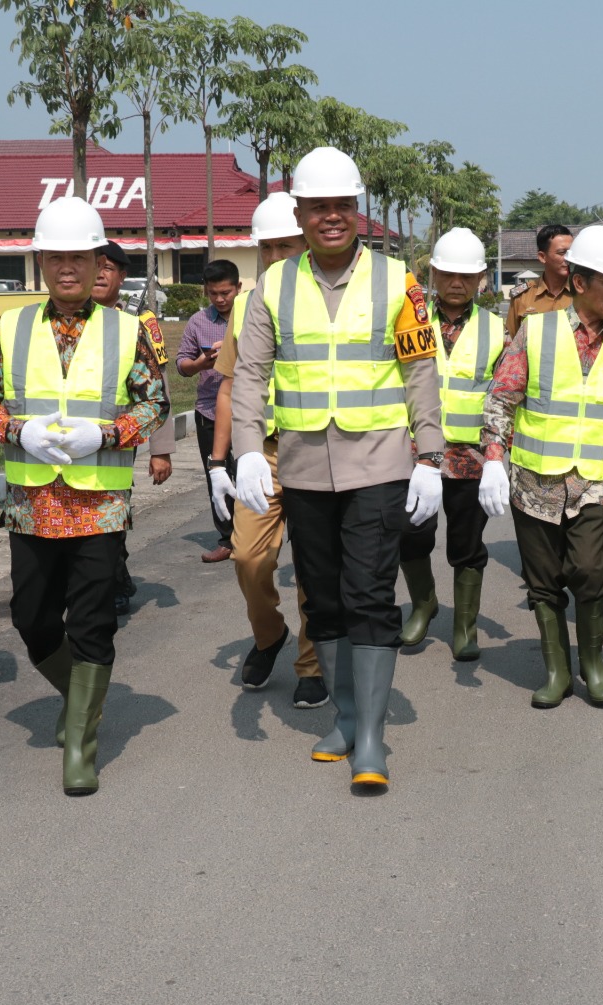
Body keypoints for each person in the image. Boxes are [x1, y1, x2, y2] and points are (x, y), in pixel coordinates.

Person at [230, 146, 444, 789]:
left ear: (358, 212)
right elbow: (250, 373)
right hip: (299, 467)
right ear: (299, 213)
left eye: (342, 207)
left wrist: (429, 455)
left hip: (378, 462)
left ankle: (373, 740)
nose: (331, 217)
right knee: (322, 598)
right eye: (318, 207)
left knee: (370, 594)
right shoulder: (273, 284)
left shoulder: (397, 280)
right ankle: (347, 717)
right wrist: (244, 449)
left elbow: (419, 368)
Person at [0, 196, 169, 794]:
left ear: (97, 259)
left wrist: (104, 433)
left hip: (99, 501)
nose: (67, 269)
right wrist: (15, 429)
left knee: (92, 622)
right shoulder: (10, 326)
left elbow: (154, 401)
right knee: (31, 617)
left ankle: (80, 741)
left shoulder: (129, 329)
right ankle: (80, 698)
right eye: (55, 257)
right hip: (32, 500)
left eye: (79, 257)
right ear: (41, 261)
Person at [480, 225, 603, 709]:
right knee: (543, 579)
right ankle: (557, 670)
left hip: (593, 480)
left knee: (590, 570)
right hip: (534, 480)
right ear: (580, 282)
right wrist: (492, 459)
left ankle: (592, 663)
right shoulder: (537, 330)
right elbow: (502, 397)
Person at [204, 192, 328, 710]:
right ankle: (268, 634)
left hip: (319, 448)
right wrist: (217, 462)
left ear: (306, 243)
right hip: (262, 454)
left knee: (314, 567)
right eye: (268, 247)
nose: (276, 257)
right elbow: (230, 387)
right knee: (250, 558)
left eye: (287, 246)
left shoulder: (327, 303)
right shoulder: (251, 305)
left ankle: (311, 663)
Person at [395, 227, 505, 660]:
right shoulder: (410, 321)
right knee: (411, 532)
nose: (457, 283)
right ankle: (424, 604)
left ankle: (465, 625)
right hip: (416, 454)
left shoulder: (496, 329)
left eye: (467, 275)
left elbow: (502, 396)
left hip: (470, 458)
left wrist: (497, 456)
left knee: (467, 541)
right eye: (448, 274)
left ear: (481, 278)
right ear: (433, 274)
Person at [91, 239, 175, 615]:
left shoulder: (140, 324)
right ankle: (112, 576)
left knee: (111, 509)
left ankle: (112, 578)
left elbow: (160, 388)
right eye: (94, 265)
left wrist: (161, 449)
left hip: (120, 438)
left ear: (122, 277)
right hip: (66, 437)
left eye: (108, 268)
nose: (99, 274)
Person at [178, 260, 242, 562]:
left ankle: (252, 536)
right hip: (209, 410)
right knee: (216, 474)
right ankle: (227, 539)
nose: (220, 299)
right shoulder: (198, 322)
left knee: (248, 472)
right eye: (214, 293)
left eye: (226, 292)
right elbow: (182, 365)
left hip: (246, 410)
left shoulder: (253, 315)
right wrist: (201, 363)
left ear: (238, 288)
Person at [504, 223, 574, 341]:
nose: (568, 259)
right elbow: (512, 341)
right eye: (562, 253)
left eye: (571, 253)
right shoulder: (522, 296)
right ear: (542, 257)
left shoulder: (583, 293)